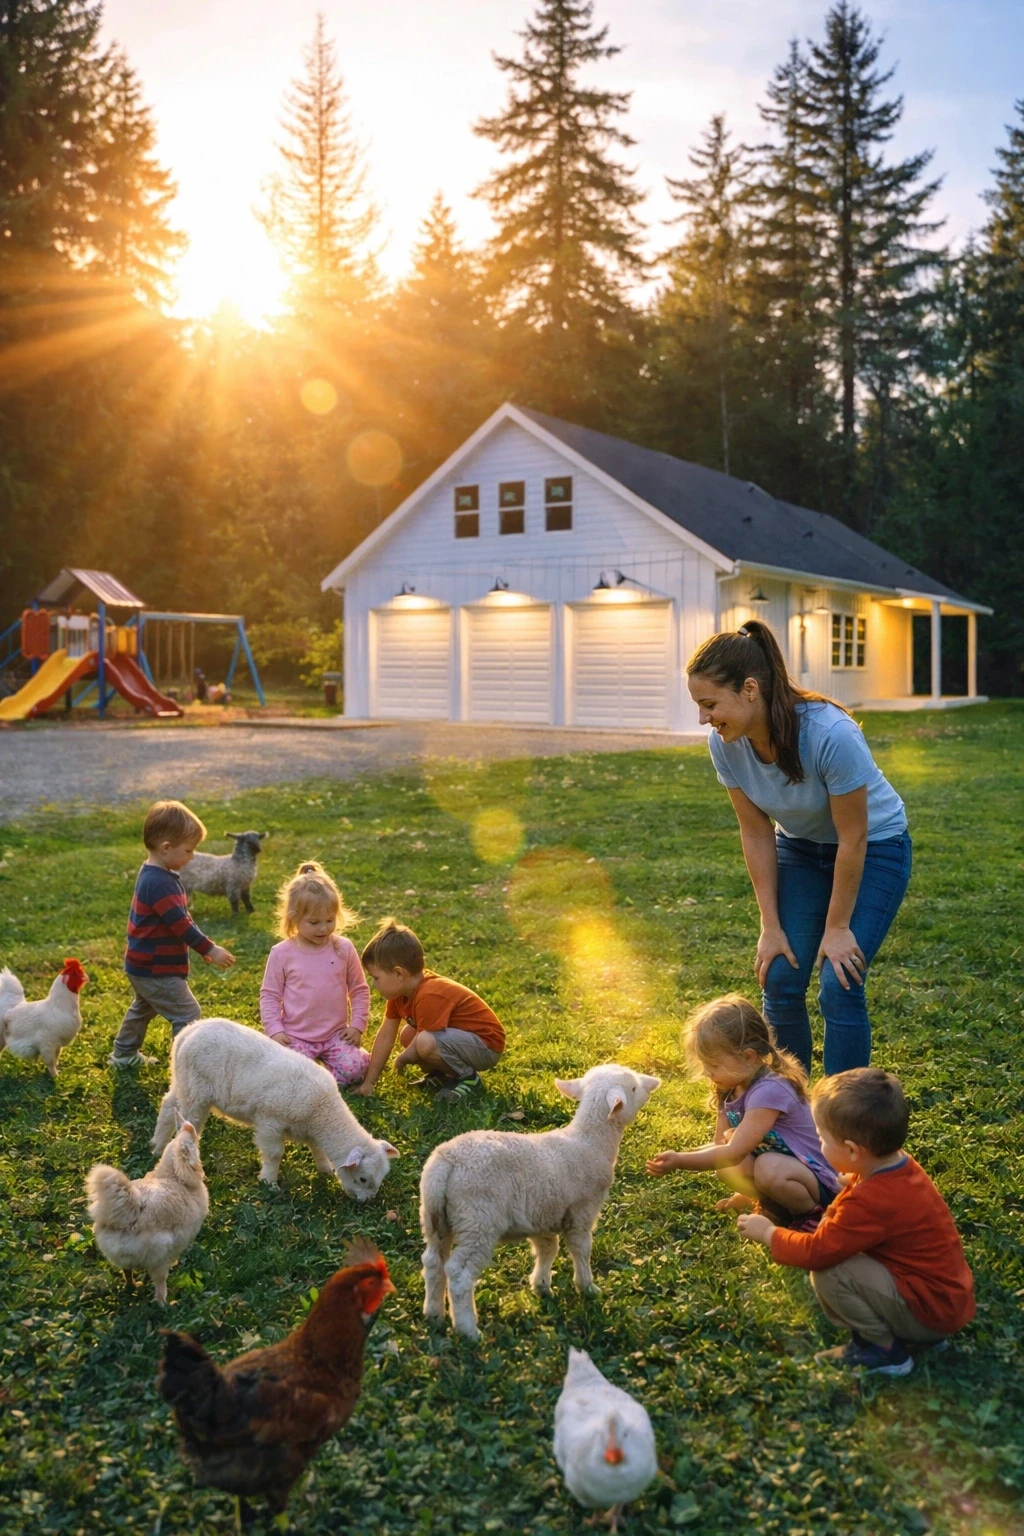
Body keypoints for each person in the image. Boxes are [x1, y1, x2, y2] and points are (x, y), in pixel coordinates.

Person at [687, 620, 911, 1075]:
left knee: (839, 981)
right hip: (803, 849)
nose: (703, 718)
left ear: (750, 689)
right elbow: (755, 832)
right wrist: (770, 925)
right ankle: (791, 1111)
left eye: (710, 704)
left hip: (875, 848)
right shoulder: (725, 745)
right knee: (781, 975)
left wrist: (838, 927)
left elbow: (854, 837)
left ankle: (845, 1120)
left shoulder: (832, 734)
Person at [737, 1068, 975, 1377]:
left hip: (930, 1312)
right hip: (943, 1300)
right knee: (847, 1257)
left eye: (822, 1139)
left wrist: (770, 1233)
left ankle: (883, 1350)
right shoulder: (899, 1166)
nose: (819, 1145)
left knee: (830, 1272)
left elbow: (817, 1251)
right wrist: (854, 1180)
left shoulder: (868, 1200)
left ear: (851, 1150)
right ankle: (916, 1332)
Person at [645, 994, 839, 1229]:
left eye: (713, 1065)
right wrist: (682, 1153)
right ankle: (772, 1203)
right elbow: (721, 1146)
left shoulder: (770, 1090)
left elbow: (734, 1151)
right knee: (728, 1167)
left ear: (748, 1056)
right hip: (788, 1168)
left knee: (767, 1167)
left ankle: (810, 1215)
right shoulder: (732, 1087)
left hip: (820, 1179)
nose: (707, 1073)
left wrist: (680, 1161)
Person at [109, 800, 235, 1068]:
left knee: (144, 1007)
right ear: (166, 848)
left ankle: (123, 1053)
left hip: (143, 964)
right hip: (155, 967)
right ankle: (186, 1068)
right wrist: (209, 949)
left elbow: (179, 919)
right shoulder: (158, 883)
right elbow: (181, 924)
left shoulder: (159, 874)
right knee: (188, 1013)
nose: (192, 857)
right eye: (189, 850)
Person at [356, 918, 505, 1103]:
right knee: (408, 1035)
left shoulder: (429, 994)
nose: (373, 984)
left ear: (399, 974)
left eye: (376, 978)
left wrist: (401, 1060)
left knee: (424, 1042)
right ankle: (443, 1076)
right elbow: (386, 1035)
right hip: (460, 1041)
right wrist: (370, 1082)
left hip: (486, 1046)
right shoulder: (400, 995)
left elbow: (423, 1042)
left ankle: (468, 1078)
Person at [258, 862, 370, 1087]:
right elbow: (269, 995)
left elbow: (359, 989)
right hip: (296, 1036)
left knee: (356, 1070)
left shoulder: (344, 948)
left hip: (335, 1035)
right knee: (287, 1075)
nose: (324, 929)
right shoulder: (281, 953)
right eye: (314, 922)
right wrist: (274, 1030)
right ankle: (310, 1075)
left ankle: (321, 1079)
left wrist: (357, 1025)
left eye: (330, 920)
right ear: (293, 918)